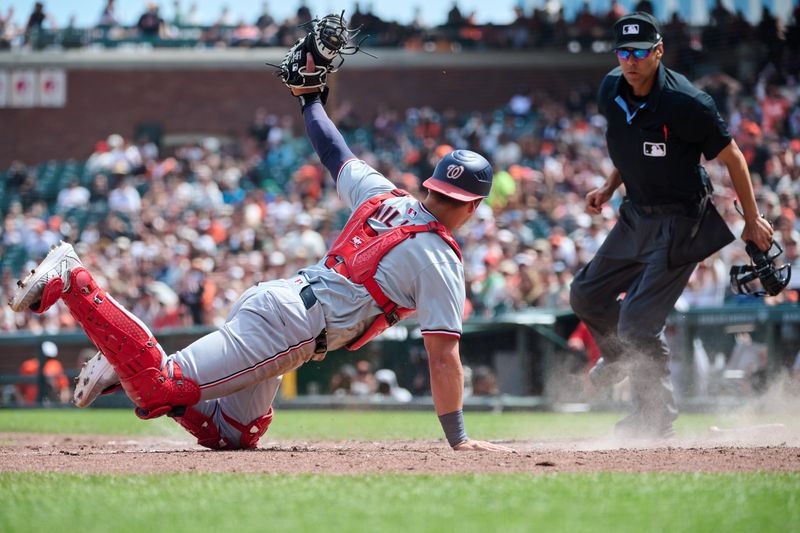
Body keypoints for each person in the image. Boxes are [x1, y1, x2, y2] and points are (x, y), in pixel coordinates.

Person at [9, 59, 511, 453]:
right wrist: (459, 437)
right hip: (289, 327)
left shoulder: (386, 197)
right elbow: (444, 357)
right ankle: (74, 278)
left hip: (282, 304)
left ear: (433, 185)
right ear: (474, 204)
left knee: (234, 436)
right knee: (161, 386)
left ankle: (122, 362)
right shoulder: (440, 258)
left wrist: (310, 99)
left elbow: (334, 150)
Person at [569, 12, 773, 439]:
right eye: (624, 52)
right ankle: (622, 358)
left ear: (659, 51)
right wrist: (608, 188)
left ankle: (656, 417)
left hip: (682, 220)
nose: (631, 60)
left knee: (639, 325)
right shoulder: (611, 88)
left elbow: (733, 157)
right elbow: (628, 149)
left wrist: (752, 220)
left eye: (640, 51)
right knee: (585, 293)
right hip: (635, 213)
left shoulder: (688, 103)